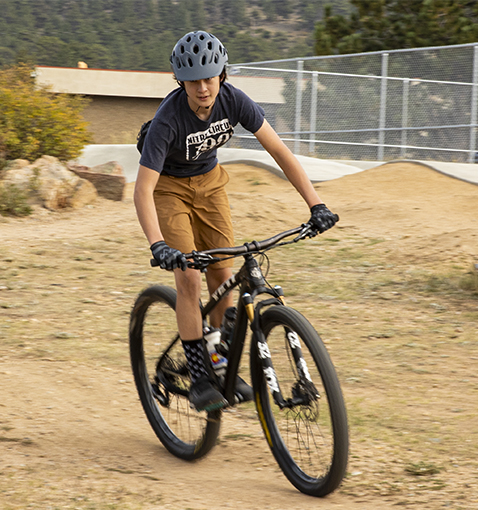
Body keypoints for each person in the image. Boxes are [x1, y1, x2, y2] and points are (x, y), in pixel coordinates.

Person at [134, 30, 339, 413]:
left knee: (223, 272)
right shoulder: (168, 120)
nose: (202, 88)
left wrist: (317, 205)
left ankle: (218, 358)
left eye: (209, 78)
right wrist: (157, 244)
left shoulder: (235, 100)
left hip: (210, 183)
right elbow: (143, 189)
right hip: (168, 188)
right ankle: (199, 376)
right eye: (193, 81)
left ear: (222, 75)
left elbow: (279, 150)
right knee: (189, 276)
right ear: (180, 82)